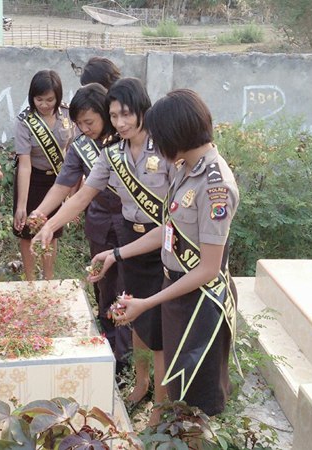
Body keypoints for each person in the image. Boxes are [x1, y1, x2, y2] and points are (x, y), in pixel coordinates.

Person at [33, 78, 175, 422]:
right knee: (135, 316)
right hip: (131, 237)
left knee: (157, 325)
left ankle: (161, 402)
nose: (122, 122)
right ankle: (141, 384)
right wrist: (50, 224)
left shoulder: (167, 148)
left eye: (127, 114)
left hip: (166, 244)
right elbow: (81, 195)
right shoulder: (113, 154)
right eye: (115, 116)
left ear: (143, 110)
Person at [91, 89, 240, 417]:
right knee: (176, 388)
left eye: (160, 137)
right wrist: (116, 253)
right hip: (177, 294)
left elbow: (208, 269)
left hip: (200, 303)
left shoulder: (215, 186)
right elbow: (168, 229)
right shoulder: (187, 167)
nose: (157, 145)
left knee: (196, 401)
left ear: (177, 133)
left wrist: (147, 303)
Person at [29, 83, 131, 377]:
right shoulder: (80, 147)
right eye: (79, 124)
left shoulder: (125, 141)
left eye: (89, 122)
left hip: (130, 226)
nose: (84, 129)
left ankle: (125, 359)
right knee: (104, 286)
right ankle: (108, 345)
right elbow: (63, 185)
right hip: (99, 223)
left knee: (126, 287)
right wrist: (42, 213)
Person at [12, 70, 75, 281]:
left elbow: (73, 153)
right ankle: (29, 279)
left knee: (52, 232)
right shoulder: (25, 121)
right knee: (27, 232)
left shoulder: (67, 115)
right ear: (32, 97)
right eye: (39, 99)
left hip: (58, 180)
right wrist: (21, 205)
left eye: (50, 99)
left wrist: (71, 191)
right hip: (31, 180)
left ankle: (48, 279)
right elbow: (24, 165)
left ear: (58, 97)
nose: (45, 104)